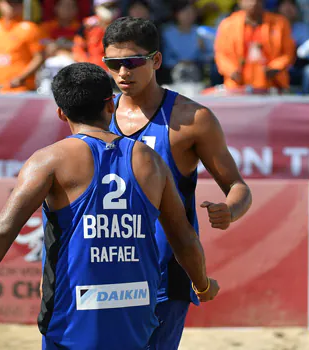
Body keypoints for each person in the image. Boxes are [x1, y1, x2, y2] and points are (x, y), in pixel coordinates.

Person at [0, 62, 220, 349]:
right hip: (136, 315)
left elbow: (3, 230)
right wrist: (202, 285)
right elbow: (183, 237)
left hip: (73, 318)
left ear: (61, 112)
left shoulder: (49, 160)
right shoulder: (151, 160)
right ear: (111, 105)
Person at [104, 17, 252, 349]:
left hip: (165, 274)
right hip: (106, 269)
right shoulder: (99, 115)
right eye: (114, 64)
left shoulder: (192, 120)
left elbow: (238, 187)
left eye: (132, 62)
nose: (123, 72)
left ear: (156, 60)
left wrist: (231, 209)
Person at [214, 0, 295, 93]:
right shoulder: (228, 24)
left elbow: (288, 53)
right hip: (236, 87)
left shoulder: (280, 23)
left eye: (258, 0)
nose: (253, 3)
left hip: (272, 85)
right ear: (240, 2)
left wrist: (274, 68)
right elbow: (220, 54)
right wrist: (231, 71)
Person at [0, 0, 45, 93]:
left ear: (22, 6)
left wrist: (21, 78)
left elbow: (39, 58)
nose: (12, 7)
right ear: (0, 4)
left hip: (21, 90)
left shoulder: (30, 28)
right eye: (9, 3)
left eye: (16, 3)